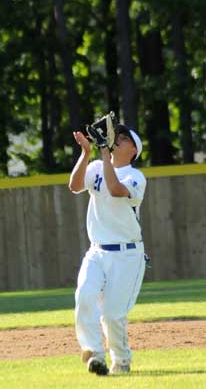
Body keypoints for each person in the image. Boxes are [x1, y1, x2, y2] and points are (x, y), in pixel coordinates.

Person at [69, 123, 146, 375]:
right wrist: (86, 153)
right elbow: (75, 185)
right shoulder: (95, 166)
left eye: (123, 138)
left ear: (133, 149)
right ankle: (94, 354)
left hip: (127, 255)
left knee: (112, 315)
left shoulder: (135, 176)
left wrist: (104, 154)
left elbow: (115, 190)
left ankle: (121, 362)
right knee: (84, 295)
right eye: (117, 136)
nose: (116, 139)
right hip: (97, 251)